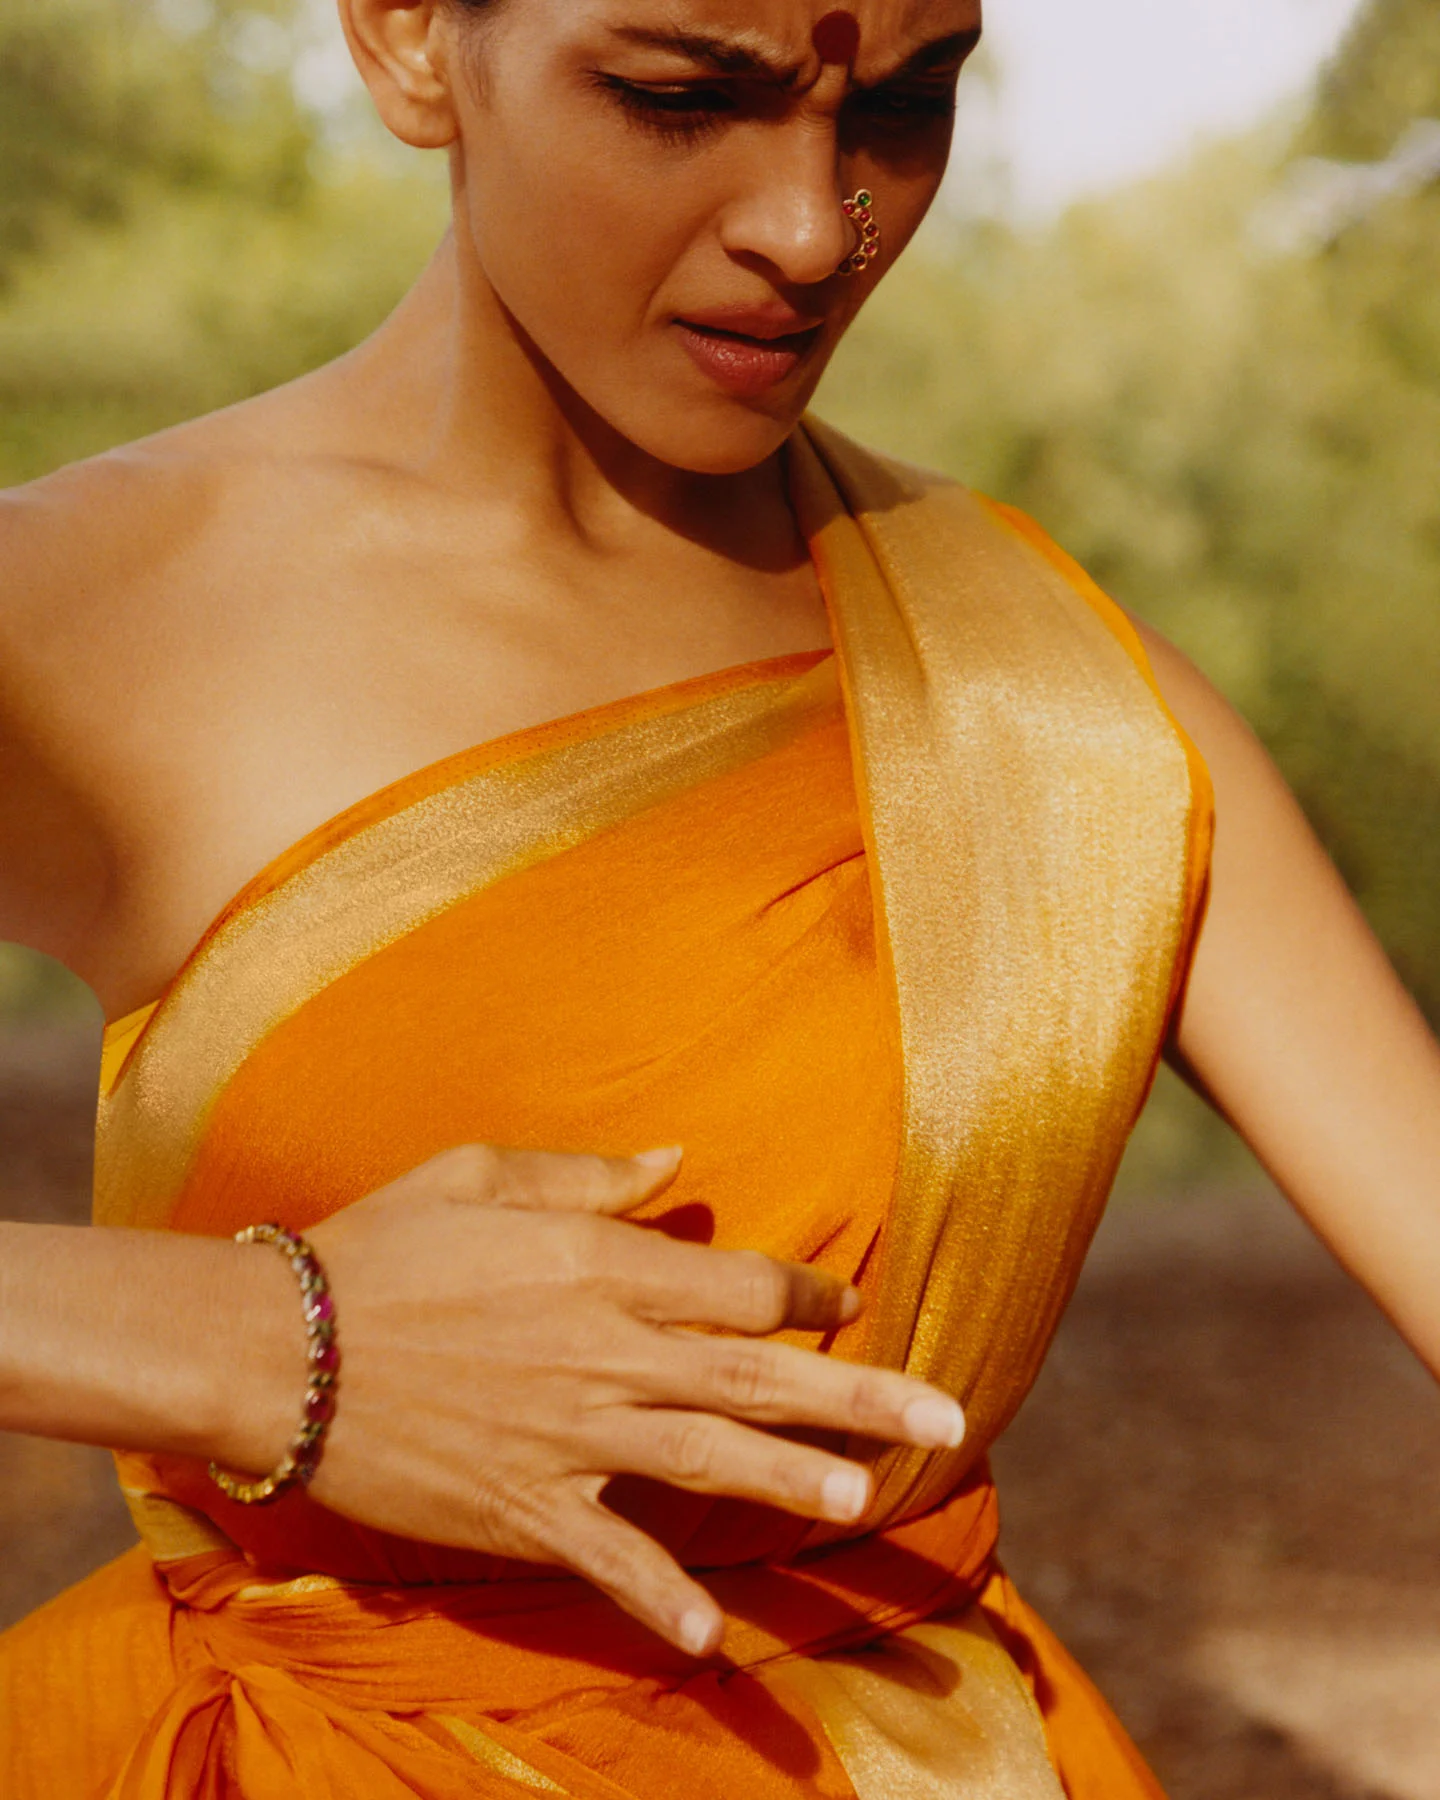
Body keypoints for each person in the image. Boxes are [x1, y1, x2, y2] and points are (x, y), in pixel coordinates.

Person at [0, 0, 1436, 1793]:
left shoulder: (1035, 691)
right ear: (407, 42)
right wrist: (265, 1352)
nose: (814, 224)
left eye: (905, 106)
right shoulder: (97, 618)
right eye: (683, 97)